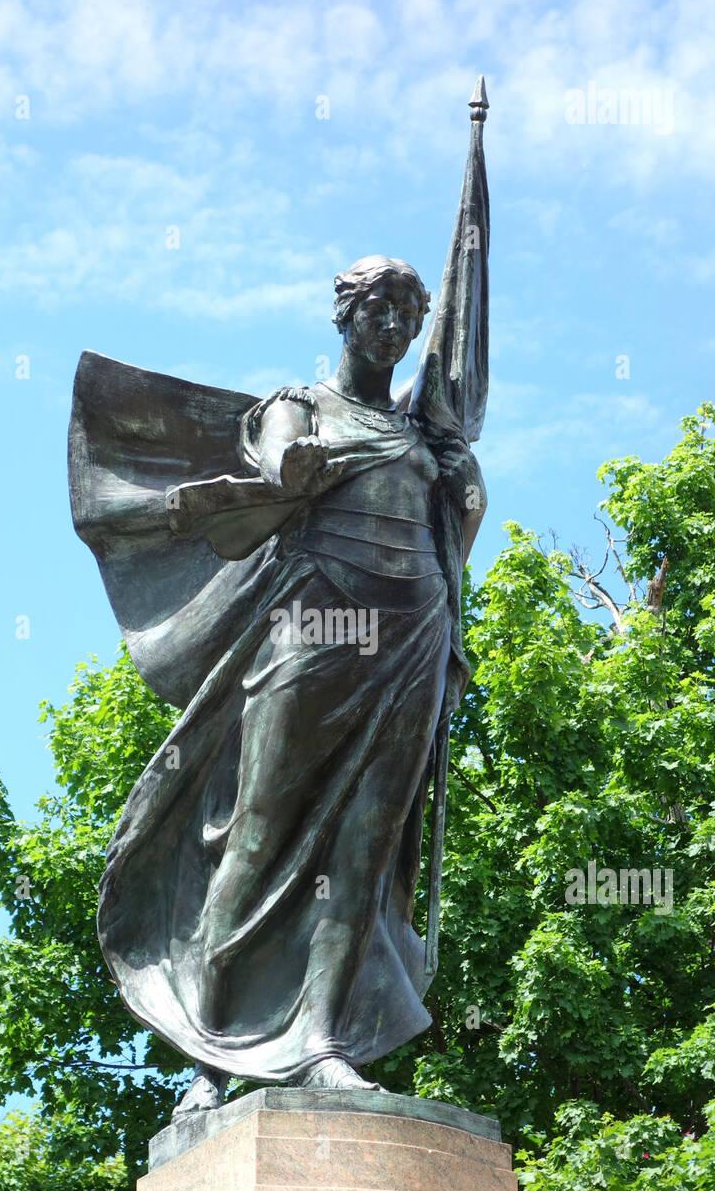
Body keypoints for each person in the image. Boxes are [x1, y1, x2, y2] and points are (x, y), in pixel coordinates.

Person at [68, 85, 490, 1116]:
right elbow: (262, 484)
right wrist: (286, 473)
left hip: (409, 638)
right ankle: (215, 1053)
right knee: (254, 840)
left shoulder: (421, 432)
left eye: (410, 310)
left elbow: (453, 524)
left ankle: (318, 1038)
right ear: (342, 314)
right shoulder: (295, 406)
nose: (395, 323)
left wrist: (458, 483)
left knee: (365, 848)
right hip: (309, 636)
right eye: (376, 307)